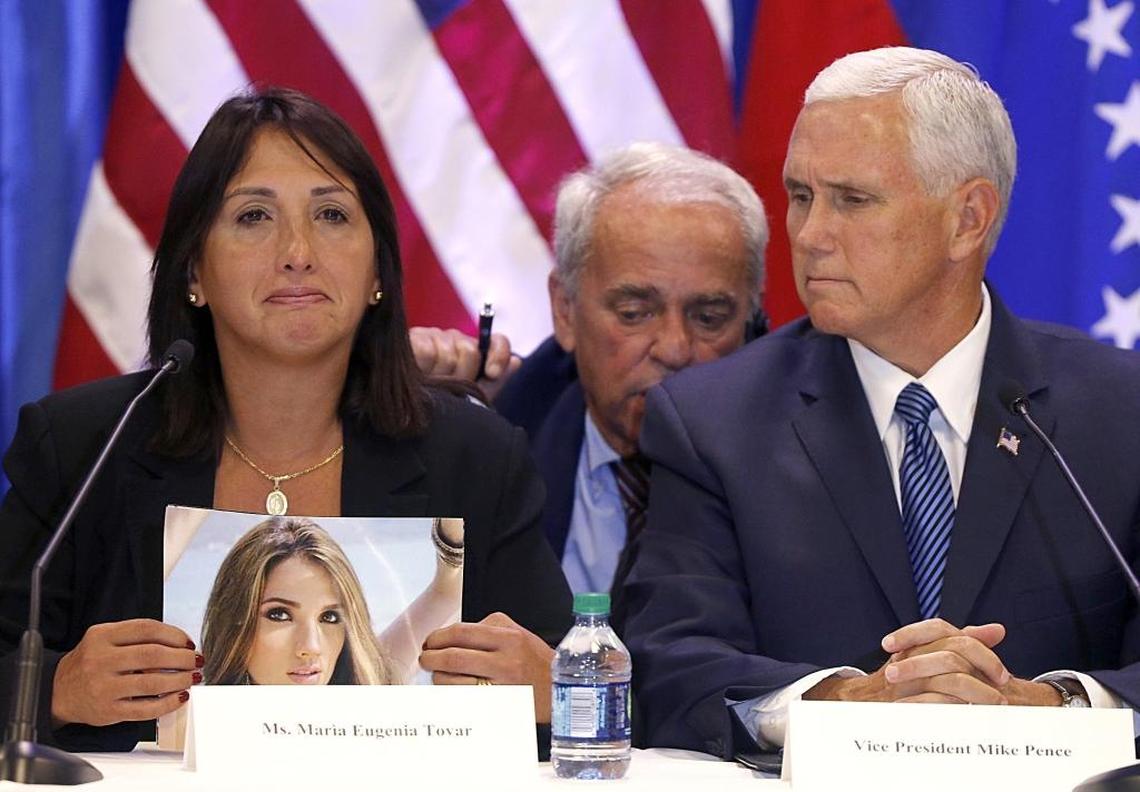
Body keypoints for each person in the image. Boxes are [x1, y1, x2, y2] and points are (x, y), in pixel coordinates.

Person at [0, 87, 570, 753]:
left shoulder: (475, 459)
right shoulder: (86, 443)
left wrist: (555, 690)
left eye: (331, 214)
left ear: (377, 271)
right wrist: (55, 690)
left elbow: (608, 707)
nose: (298, 251)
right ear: (194, 273)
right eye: (252, 218)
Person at [623, 46, 1140, 758]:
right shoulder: (711, 422)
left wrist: (1056, 706)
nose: (808, 236)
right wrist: (841, 702)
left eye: (852, 200)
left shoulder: (1121, 413)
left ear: (968, 219)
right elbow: (666, 665)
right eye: (800, 196)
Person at [492, 143, 768, 616]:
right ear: (564, 309)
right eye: (635, 313)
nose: (675, 349)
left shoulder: (807, 472)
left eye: (709, 317)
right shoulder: (498, 444)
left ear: (752, 320)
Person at [201, 517, 394, 686]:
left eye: (329, 617)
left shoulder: (376, 714)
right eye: (279, 615)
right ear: (234, 621)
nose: (311, 647)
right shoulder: (188, 721)